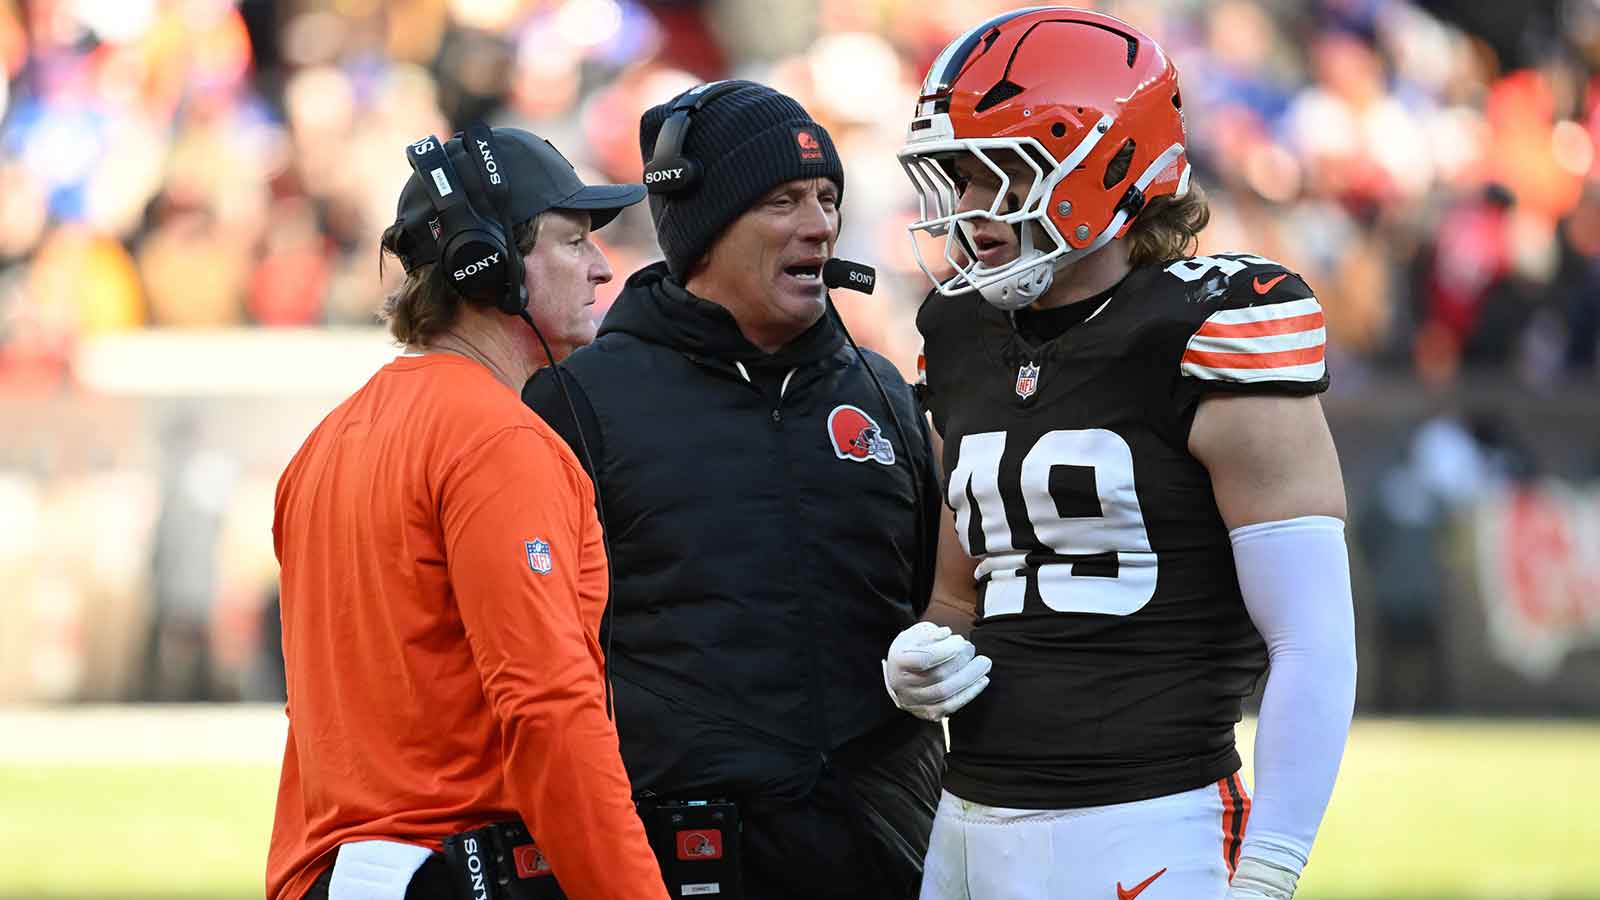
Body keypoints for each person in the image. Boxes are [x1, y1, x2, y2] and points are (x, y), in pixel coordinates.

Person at [884, 9, 1358, 900]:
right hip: (967, 822)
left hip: (1148, 819)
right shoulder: (956, 332)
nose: (972, 207)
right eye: (955, 174)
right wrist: (924, 656)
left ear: (1109, 163)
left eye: (1000, 170)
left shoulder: (1215, 324)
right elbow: (959, 595)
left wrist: (1271, 863)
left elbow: (1312, 640)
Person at [522, 80, 944, 900]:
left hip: (886, 856)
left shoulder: (881, 391)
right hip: (684, 863)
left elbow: (938, 601)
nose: (821, 223)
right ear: (706, 224)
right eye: (783, 199)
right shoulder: (579, 401)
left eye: (827, 197)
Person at [268, 125, 668, 900]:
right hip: (450, 872)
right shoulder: (499, 441)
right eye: (571, 239)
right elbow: (550, 711)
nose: (600, 266)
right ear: (488, 268)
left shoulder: (322, 445)